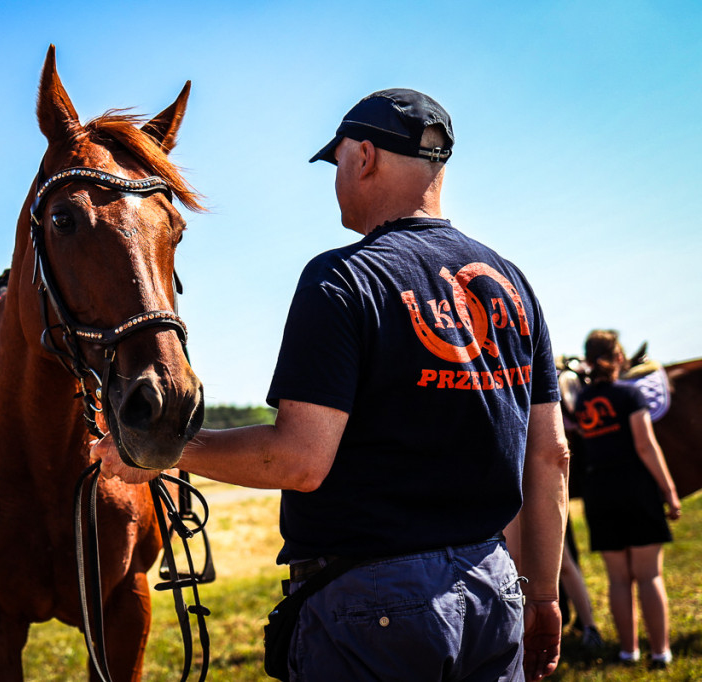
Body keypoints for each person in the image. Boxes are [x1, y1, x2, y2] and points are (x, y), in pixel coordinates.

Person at [94, 88, 569, 681]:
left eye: (338, 161)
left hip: (375, 609)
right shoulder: (510, 281)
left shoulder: (343, 277)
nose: (336, 178)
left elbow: (298, 460)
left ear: (364, 157)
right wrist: (544, 595)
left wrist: (164, 451)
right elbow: (550, 455)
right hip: (493, 591)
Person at [574, 330, 681, 669]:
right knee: (649, 575)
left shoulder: (582, 401)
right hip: (635, 487)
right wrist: (669, 490)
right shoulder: (630, 394)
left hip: (598, 493)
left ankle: (627, 651)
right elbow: (645, 446)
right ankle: (661, 652)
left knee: (618, 578)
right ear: (619, 357)